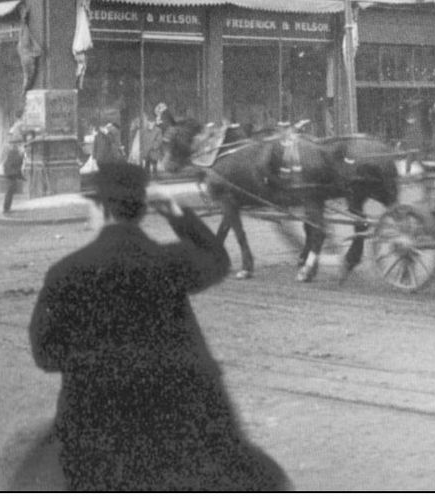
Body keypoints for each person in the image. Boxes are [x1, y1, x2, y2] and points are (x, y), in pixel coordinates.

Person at [28, 164, 291, 491]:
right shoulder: (169, 261)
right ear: (141, 211)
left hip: (96, 427)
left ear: (101, 209)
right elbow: (217, 261)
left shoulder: (66, 272)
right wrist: (174, 211)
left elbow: (45, 354)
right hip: (182, 421)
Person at [1, 131, 27, 215]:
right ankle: (6, 209)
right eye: (20, 143)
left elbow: (16, 165)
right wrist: (22, 155)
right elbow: (16, 164)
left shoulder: (14, 151)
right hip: (10, 174)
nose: (21, 145)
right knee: (9, 191)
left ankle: (7, 208)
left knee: (10, 191)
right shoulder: (14, 152)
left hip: (11, 174)